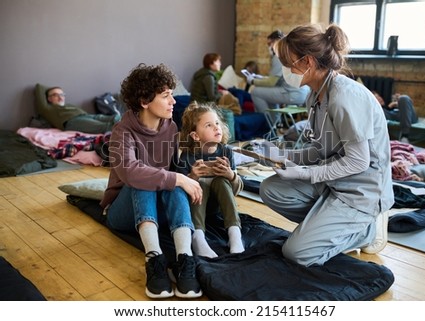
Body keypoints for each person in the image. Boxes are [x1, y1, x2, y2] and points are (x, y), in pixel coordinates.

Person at [256, 23, 394, 267]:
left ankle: (367, 230)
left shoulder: (344, 96)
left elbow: (358, 161)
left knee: (297, 253)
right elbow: (322, 148)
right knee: (270, 188)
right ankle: (326, 226)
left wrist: (306, 173)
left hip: (360, 191)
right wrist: (285, 156)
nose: (286, 70)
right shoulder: (316, 93)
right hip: (333, 182)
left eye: (289, 63)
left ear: (308, 62)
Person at [100, 63, 203, 299]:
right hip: (121, 212)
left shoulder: (172, 127)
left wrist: (192, 176)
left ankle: (184, 258)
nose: (173, 101)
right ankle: (154, 259)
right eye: (166, 96)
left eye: (171, 95)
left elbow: (175, 172)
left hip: (158, 209)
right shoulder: (122, 131)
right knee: (144, 179)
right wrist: (175, 178)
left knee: (175, 182)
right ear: (145, 101)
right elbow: (129, 172)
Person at [178, 101, 244, 258]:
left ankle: (234, 234)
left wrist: (230, 175)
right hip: (197, 208)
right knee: (200, 184)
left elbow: (237, 189)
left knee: (221, 181)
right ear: (195, 135)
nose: (216, 127)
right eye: (208, 125)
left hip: (218, 207)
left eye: (217, 123)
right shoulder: (187, 156)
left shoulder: (226, 151)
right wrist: (193, 177)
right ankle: (198, 237)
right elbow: (179, 195)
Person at [247, 30, 311, 123]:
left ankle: (266, 124)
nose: (269, 47)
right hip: (304, 92)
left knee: (255, 91)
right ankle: (275, 124)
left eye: (270, 43)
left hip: (293, 93)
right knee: (268, 95)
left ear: (276, 41)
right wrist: (261, 78)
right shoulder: (289, 51)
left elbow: (271, 83)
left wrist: (252, 81)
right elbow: (277, 79)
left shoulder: (278, 55)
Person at [34, 84, 120, 134]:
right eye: (56, 95)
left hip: (87, 116)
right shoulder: (48, 109)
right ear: (49, 99)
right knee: (107, 127)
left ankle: (131, 128)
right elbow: (39, 87)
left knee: (117, 117)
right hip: (73, 122)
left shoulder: (69, 105)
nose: (60, 97)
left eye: (62, 94)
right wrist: (50, 90)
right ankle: (128, 134)